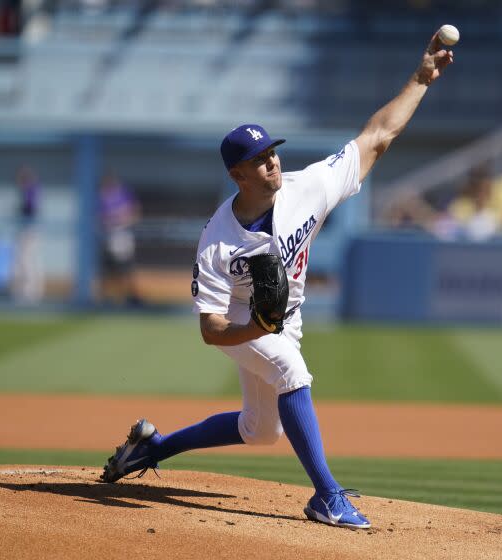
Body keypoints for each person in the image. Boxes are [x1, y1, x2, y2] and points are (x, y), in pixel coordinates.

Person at [100, 29, 453, 529]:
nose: (272, 161)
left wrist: (420, 79)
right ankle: (327, 496)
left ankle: (152, 448)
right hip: (244, 323)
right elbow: (211, 329)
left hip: (283, 318)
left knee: (260, 430)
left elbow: (377, 137)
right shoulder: (217, 241)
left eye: (273, 152)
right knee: (292, 372)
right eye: (259, 159)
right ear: (237, 175)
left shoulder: (305, 188)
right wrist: (257, 329)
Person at [97, 173, 142, 304]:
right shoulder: (102, 196)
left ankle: (129, 297)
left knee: (126, 269)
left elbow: (135, 213)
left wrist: (120, 218)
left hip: (123, 236)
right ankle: (107, 298)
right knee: (108, 270)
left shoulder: (124, 194)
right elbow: (99, 218)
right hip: (108, 236)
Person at [11, 166, 44, 303]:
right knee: (25, 259)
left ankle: (30, 292)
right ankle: (29, 291)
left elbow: (31, 208)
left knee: (27, 259)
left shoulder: (31, 189)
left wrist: (18, 210)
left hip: (29, 227)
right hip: (28, 227)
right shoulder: (29, 189)